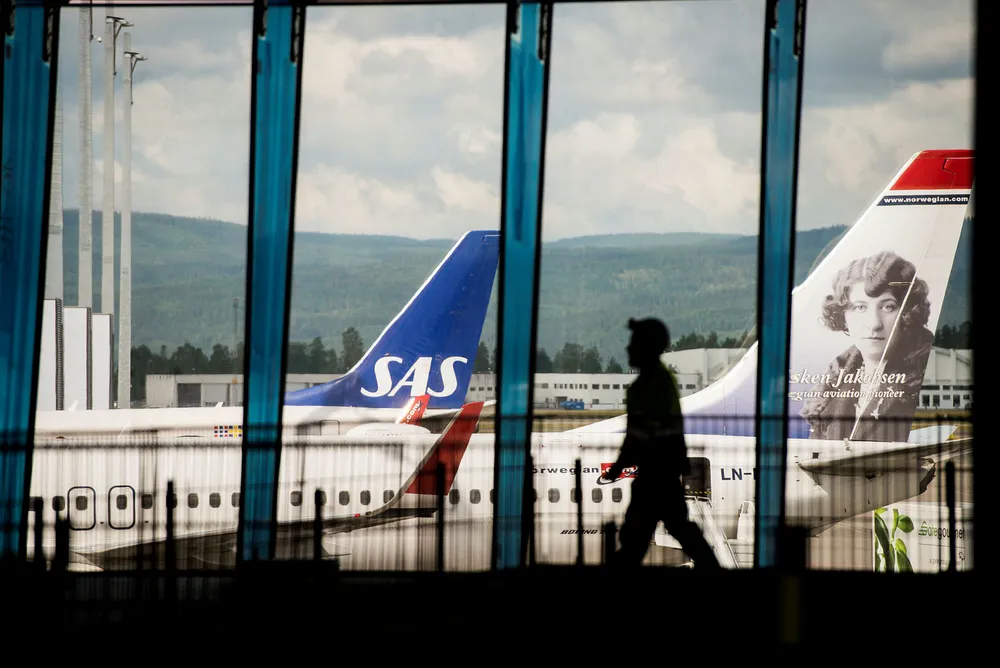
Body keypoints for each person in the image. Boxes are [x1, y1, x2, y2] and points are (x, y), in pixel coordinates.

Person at [601, 318, 720, 569]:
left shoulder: (646, 386)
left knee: (639, 535)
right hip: (665, 470)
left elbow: (638, 436)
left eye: (634, 343)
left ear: (647, 347)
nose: (628, 348)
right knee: (672, 528)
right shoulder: (662, 379)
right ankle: (712, 568)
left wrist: (618, 467)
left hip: (655, 472)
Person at [800, 250, 934, 442]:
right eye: (860, 307)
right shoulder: (832, 386)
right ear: (843, 315)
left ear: (907, 314)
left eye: (888, 306)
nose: (874, 323)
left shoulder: (930, 378)